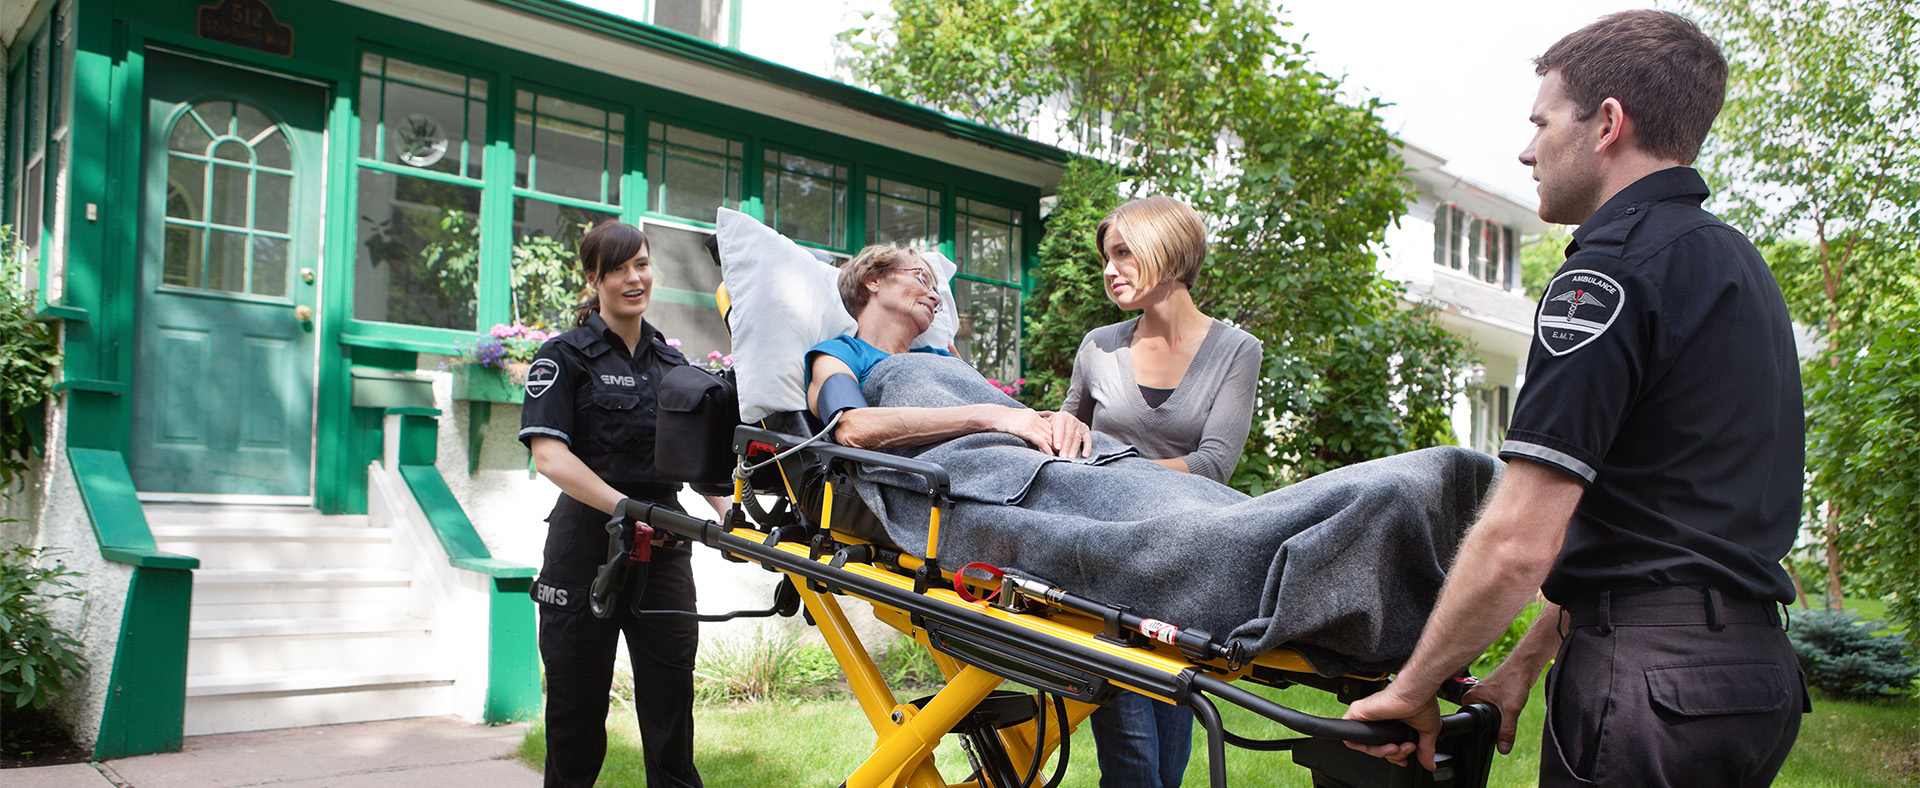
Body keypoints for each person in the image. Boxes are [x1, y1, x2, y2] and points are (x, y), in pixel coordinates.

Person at [1343, 10, 1808, 786]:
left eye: (1542, 121)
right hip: (1754, 679)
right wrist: (1523, 667)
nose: (1527, 150)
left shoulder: (1607, 276)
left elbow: (1520, 539)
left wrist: (1410, 690)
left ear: (1608, 125)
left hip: (1651, 690)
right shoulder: (1736, 265)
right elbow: (1649, 525)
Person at [1059, 196, 1261, 788]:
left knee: (1168, 768)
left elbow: (1213, 466)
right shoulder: (1098, 345)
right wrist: (1064, 427)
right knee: (1134, 765)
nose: (1109, 269)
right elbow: (1066, 436)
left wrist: (1110, 464)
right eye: (1106, 256)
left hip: (1177, 564)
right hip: (1098, 558)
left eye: (1123, 252)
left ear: (1168, 251)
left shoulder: (1235, 351)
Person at [519, 221, 725, 788]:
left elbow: (693, 458)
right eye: (618, 269)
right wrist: (626, 508)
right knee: (576, 718)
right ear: (593, 278)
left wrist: (725, 507)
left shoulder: (669, 363)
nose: (635, 279)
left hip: (663, 556)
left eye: (643, 264)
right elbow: (550, 457)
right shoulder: (562, 357)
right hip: (585, 553)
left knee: (671, 714)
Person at [804, 243, 1094, 457]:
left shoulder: (942, 358)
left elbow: (1015, 416)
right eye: (921, 279)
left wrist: (1058, 421)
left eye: (936, 290)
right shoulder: (840, 354)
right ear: (873, 279)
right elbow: (851, 427)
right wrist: (986, 416)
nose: (934, 296)